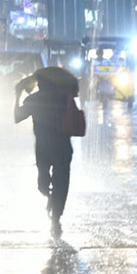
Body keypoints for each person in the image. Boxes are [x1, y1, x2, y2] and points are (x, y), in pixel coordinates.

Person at [14, 69, 80, 238]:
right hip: (64, 147)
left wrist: (17, 95)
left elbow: (17, 117)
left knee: (43, 183)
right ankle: (56, 216)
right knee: (62, 184)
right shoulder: (64, 98)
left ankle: (54, 212)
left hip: (43, 148)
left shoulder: (34, 100)